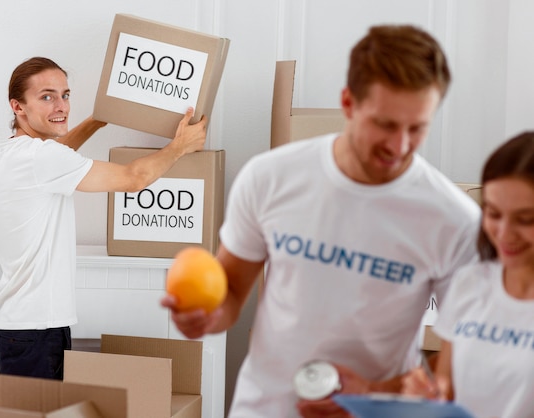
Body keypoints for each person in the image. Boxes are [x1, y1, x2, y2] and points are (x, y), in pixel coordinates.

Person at [161, 25, 481, 417]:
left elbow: (456, 372)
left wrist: (370, 392)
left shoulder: (455, 219)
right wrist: (203, 319)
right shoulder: (270, 177)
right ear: (348, 103)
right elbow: (229, 295)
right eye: (384, 124)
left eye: (417, 128)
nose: (399, 146)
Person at [0, 56, 206, 380]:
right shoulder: (41, 158)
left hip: (9, 328)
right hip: (36, 330)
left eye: (66, 95)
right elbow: (134, 178)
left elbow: (57, 155)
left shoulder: (6, 153)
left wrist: (96, 121)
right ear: (18, 107)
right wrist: (179, 146)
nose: (61, 105)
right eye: (47, 96)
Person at [402, 132, 534, 418]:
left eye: (526, 220)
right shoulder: (471, 283)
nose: (504, 233)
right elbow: (446, 389)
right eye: (494, 213)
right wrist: (424, 393)